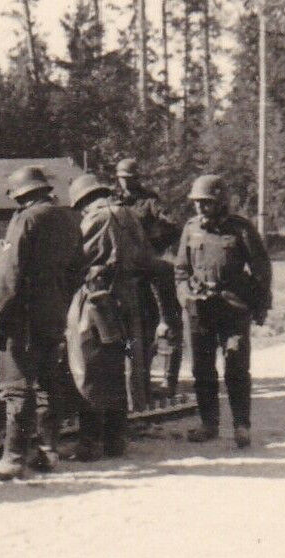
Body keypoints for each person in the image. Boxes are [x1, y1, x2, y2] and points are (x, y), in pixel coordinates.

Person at [0, 166, 83, 480]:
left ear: (20, 194)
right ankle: (49, 451)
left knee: (16, 386)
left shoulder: (26, 219)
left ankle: (12, 460)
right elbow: (78, 267)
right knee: (48, 383)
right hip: (54, 311)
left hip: (23, 316)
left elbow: (9, 273)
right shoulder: (68, 218)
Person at [64, 174, 178, 460]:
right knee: (119, 370)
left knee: (89, 370)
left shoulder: (95, 219)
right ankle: (115, 441)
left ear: (84, 201)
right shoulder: (128, 215)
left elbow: (75, 262)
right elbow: (148, 259)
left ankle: (89, 444)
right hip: (129, 303)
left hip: (96, 304)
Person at [175, 175, 272, 448]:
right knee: (202, 369)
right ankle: (209, 424)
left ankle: (241, 425)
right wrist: (185, 297)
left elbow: (261, 269)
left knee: (236, 366)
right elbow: (181, 271)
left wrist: (260, 305)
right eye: (197, 202)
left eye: (206, 202)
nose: (200, 207)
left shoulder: (240, 229)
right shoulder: (191, 229)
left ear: (220, 202)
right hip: (201, 309)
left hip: (233, 307)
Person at [115, 157, 184, 401]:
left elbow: (173, 225)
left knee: (166, 321)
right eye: (123, 178)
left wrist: (155, 245)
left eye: (131, 178)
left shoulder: (149, 201)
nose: (127, 182)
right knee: (131, 327)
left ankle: (168, 381)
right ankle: (136, 383)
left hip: (149, 267)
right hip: (126, 269)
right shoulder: (114, 201)